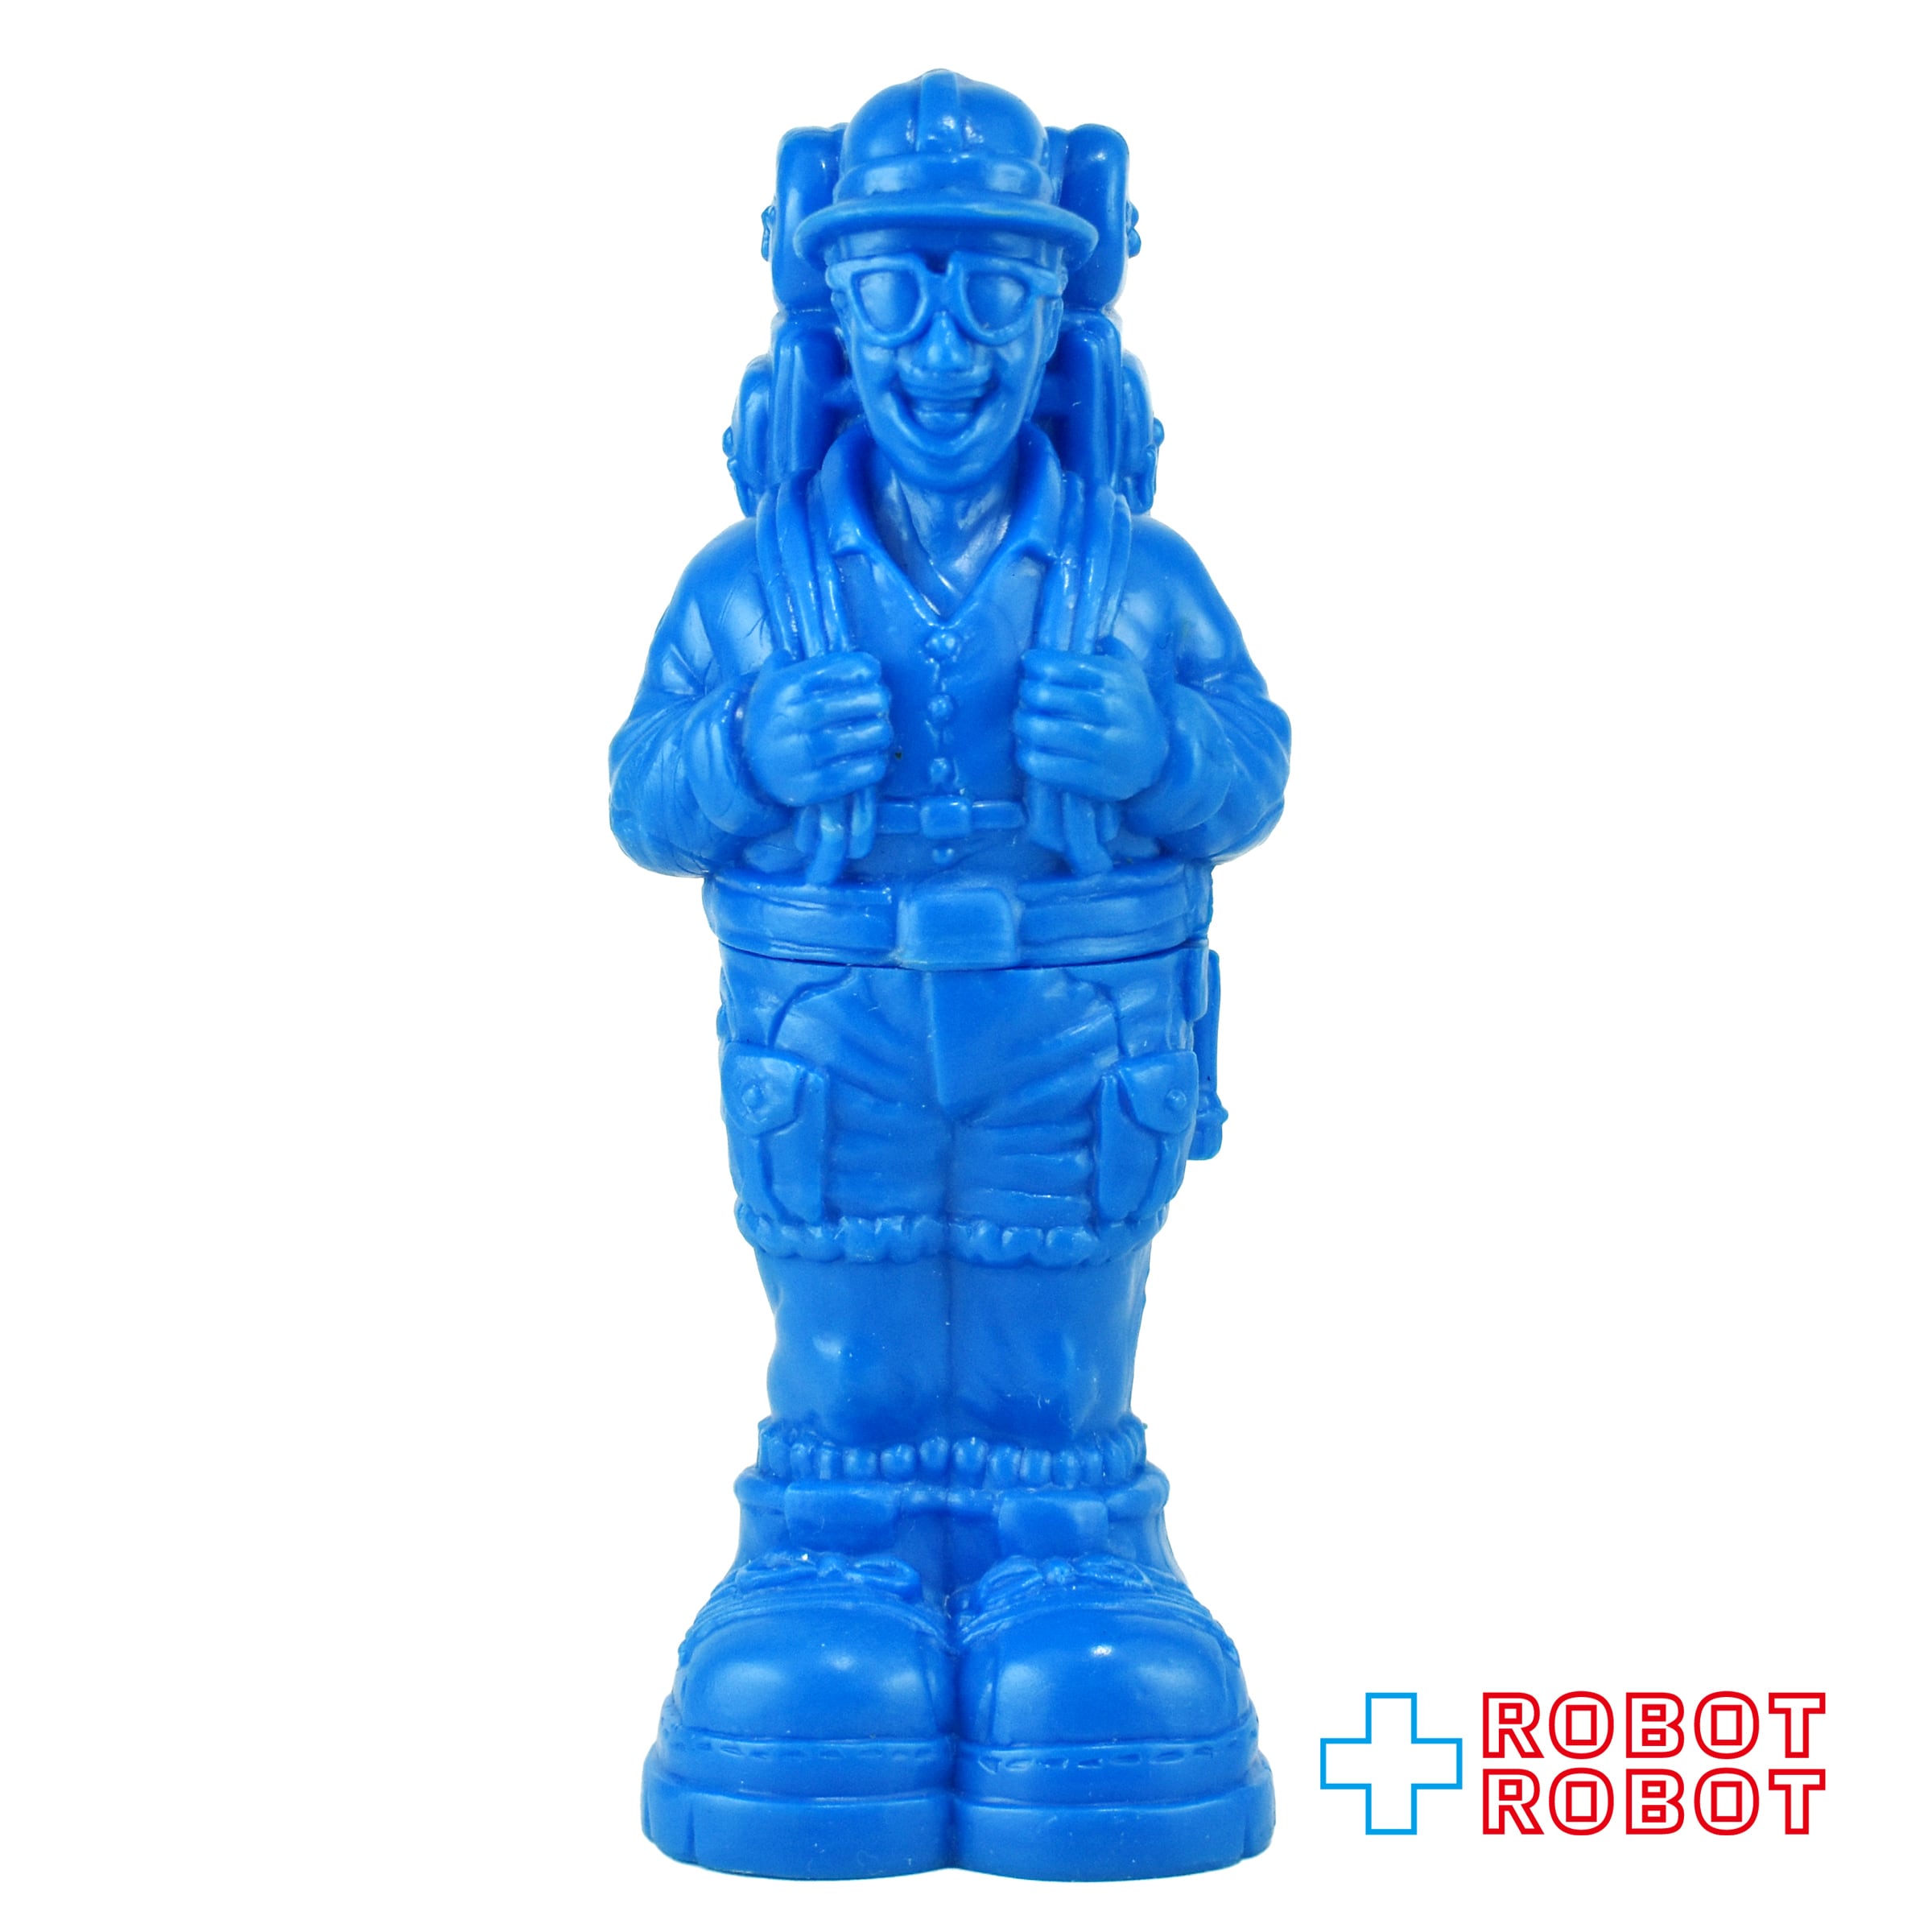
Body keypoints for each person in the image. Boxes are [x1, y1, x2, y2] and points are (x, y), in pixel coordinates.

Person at [611, 71, 1289, 1880]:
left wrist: (1157, 746)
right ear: (829, 308)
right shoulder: (745, 590)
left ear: (1061, 308)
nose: (943, 347)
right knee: (843, 1319)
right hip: (828, 1030)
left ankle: (1066, 1558)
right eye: (894, 289)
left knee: (1054, 1325)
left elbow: (1255, 766)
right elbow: (640, 794)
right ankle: (832, 1552)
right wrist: (747, 748)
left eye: (993, 288)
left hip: (1076, 1026)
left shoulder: (1141, 582)